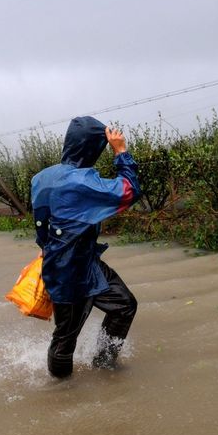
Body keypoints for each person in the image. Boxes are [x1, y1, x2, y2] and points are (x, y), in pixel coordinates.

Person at [31, 116, 141, 378]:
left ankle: (104, 364)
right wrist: (121, 152)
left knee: (124, 305)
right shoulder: (82, 181)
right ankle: (61, 392)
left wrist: (44, 247)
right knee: (66, 338)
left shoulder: (42, 178)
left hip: (80, 262)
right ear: (92, 148)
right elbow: (128, 191)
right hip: (69, 269)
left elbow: (41, 219)